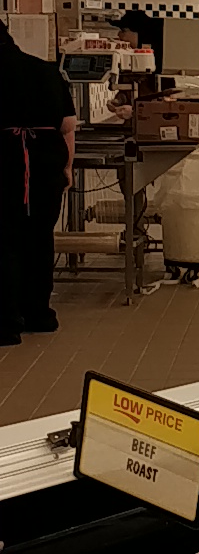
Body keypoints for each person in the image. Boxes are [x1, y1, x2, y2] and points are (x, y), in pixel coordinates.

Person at [0, 20, 76, 345]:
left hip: (4, 166)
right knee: (39, 238)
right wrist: (67, 168)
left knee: (4, 242)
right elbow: (68, 125)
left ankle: (5, 322)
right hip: (45, 168)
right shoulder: (45, 71)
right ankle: (39, 314)